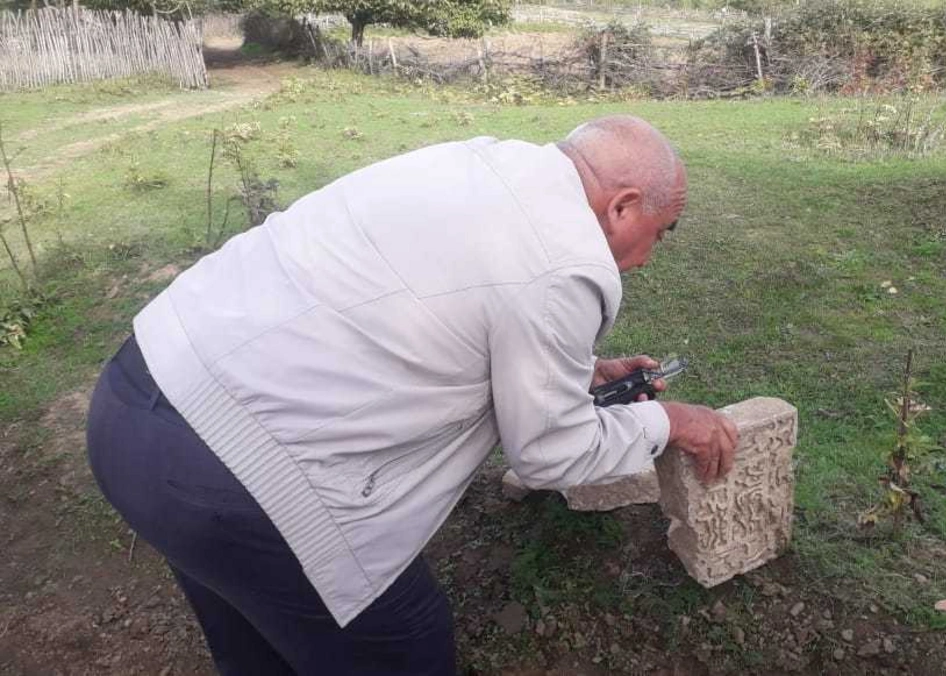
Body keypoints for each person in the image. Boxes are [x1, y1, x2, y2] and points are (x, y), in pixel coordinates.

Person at [86, 115, 739, 675]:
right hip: (230, 480)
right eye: (662, 231)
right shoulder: (566, 260)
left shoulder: (485, 163)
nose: (650, 256)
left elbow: (458, 302)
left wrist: (574, 369)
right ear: (623, 206)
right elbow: (552, 453)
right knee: (403, 646)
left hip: (140, 396)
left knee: (260, 637)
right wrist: (671, 422)